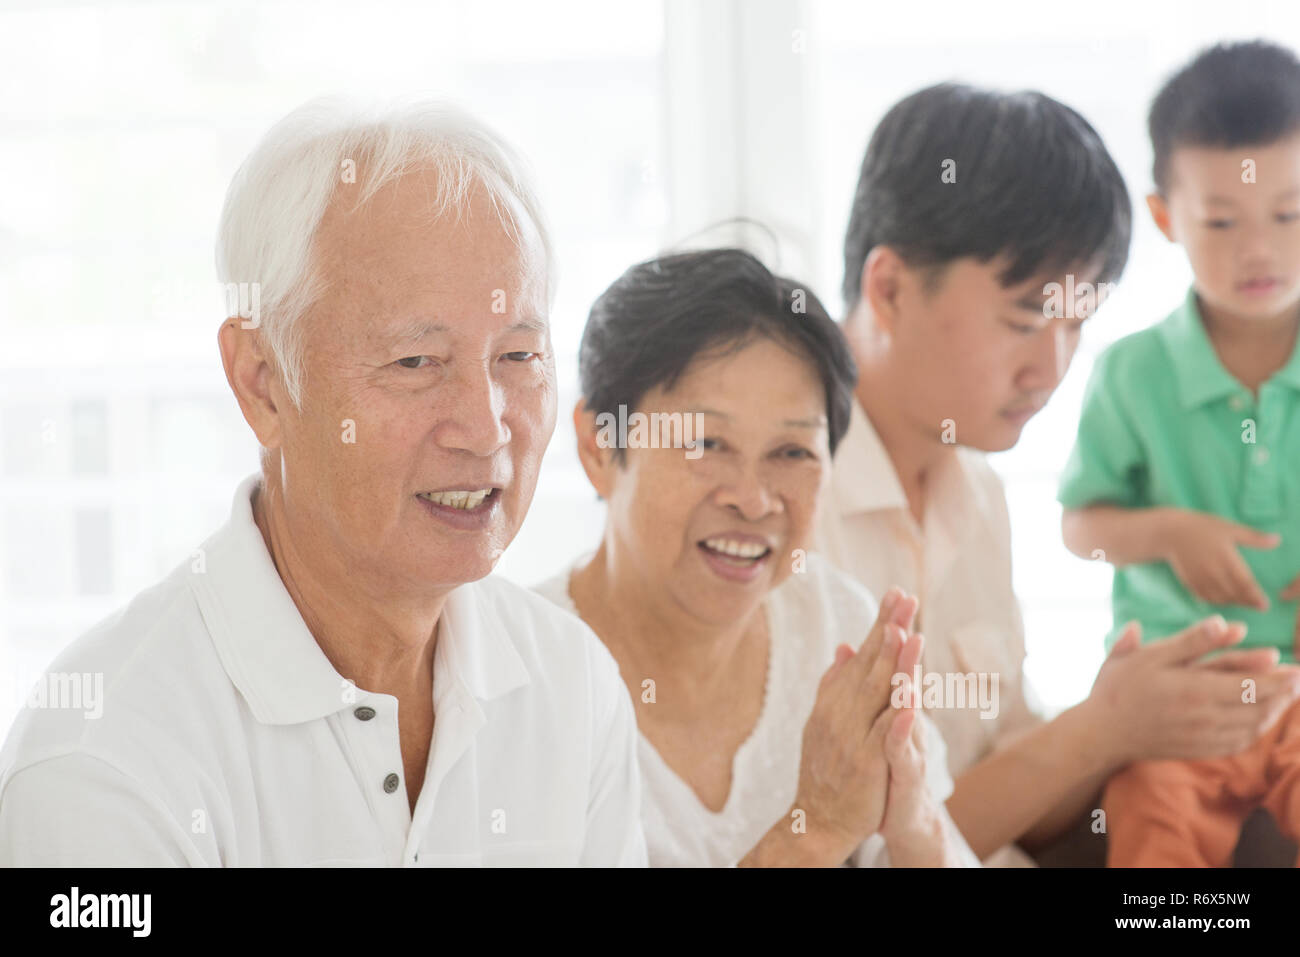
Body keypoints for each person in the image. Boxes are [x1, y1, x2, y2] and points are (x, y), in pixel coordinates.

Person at [0, 97, 646, 866]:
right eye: (416, 363)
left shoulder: (571, 685)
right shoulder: (105, 763)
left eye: (518, 356)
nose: (485, 427)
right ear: (263, 382)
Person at [817, 82, 1300, 866]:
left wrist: (1137, 711)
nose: (1053, 366)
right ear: (890, 288)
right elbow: (858, 849)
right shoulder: (783, 505)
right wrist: (1104, 726)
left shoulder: (975, 490)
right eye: (1024, 321)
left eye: (1076, 324)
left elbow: (1015, 801)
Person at [534, 247, 977, 867]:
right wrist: (816, 830)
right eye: (707, 442)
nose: (753, 499)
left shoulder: (832, 623)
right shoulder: (522, 678)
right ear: (598, 447)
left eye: (792, 452)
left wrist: (912, 825)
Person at [1059, 41, 1300, 867]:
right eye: (1222, 222)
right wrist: (1165, 530)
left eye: (1288, 213)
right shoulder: (1132, 372)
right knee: (1151, 829)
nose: (1258, 250)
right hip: (1176, 693)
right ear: (1167, 218)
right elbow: (1079, 526)